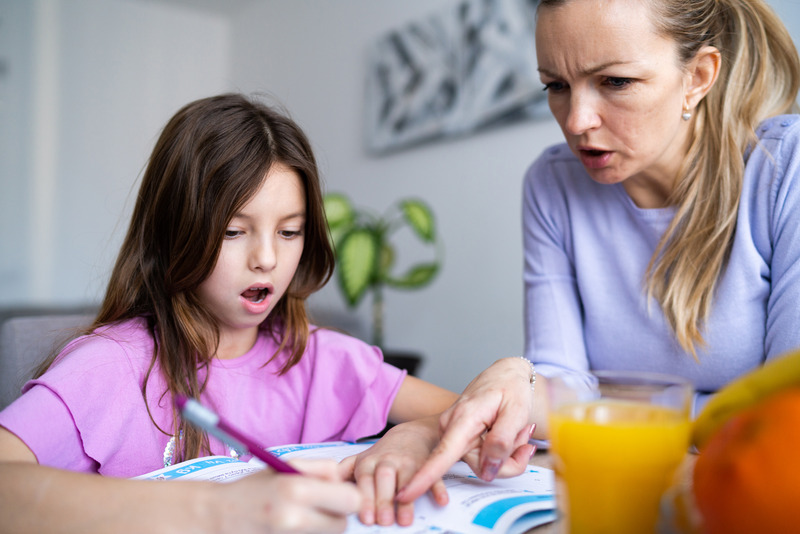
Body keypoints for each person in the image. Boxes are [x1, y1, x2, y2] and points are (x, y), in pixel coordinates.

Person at [387, 0, 800, 505]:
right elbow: (562, 388)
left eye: (615, 82)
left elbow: (786, 417)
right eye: (555, 86)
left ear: (698, 76)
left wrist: (602, 411)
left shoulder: (786, 172)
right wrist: (519, 380)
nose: (577, 120)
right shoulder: (552, 184)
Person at [0, 93, 457, 533]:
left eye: (290, 231)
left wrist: (413, 436)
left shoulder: (323, 359)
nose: (266, 258)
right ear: (175, 232)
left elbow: (492, 418)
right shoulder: (111, 368)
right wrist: (213, 512)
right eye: (235, 231)